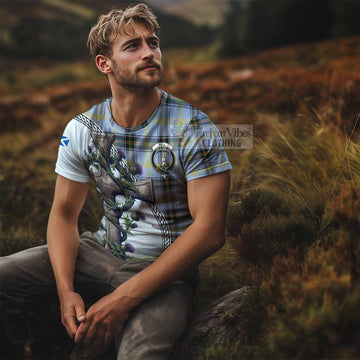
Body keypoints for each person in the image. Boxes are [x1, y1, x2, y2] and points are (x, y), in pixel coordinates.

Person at [0, 3, 232, 359]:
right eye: (133, 46)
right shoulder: (82, 129)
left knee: (139, 354)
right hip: (97, 252)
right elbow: (63, 215)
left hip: (164, 274)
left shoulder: (194, 128)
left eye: (152, 43)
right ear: (104, 64)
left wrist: (122, 300)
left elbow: (211, 230)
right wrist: (65, 292)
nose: (149, 53)